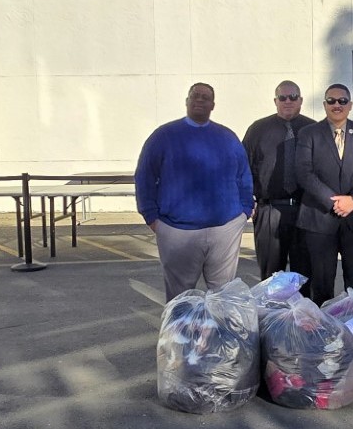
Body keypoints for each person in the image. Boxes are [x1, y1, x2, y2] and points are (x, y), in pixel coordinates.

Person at [135, 83, 253, 302]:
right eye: (195, 96)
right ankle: (180, 336)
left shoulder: (227, 137)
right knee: (181, 299)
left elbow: (243, 175)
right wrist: (151, 216)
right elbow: (144, 176)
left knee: (223, 298)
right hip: (177, 231)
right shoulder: (163, 136)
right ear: (187, 101)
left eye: (205, 97)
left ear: (213, 105)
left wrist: (245, 211)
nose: (200, 100)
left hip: (224, 230)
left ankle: (221, 336)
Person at [295, 83, 353, 306]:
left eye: (342, 101)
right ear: (324, 105)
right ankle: (324, 332)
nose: (337, 105)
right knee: (321, 284)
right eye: (331, 101)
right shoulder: (309, 134)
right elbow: (304, 172)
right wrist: (332, 201)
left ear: (350, 105)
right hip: (320, 220)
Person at [242, 80, 316, 294]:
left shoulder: (314, 129)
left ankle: (303, 321)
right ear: (275, 101)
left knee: (304, 273)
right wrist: (247, 202)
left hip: (305, 210)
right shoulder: (257, 130)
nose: (288, 101)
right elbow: (243, 168)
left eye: (293, 97)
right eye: (282, 97)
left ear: (300, 100)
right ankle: (272, 321)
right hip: (269, 211)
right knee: (270, 276)